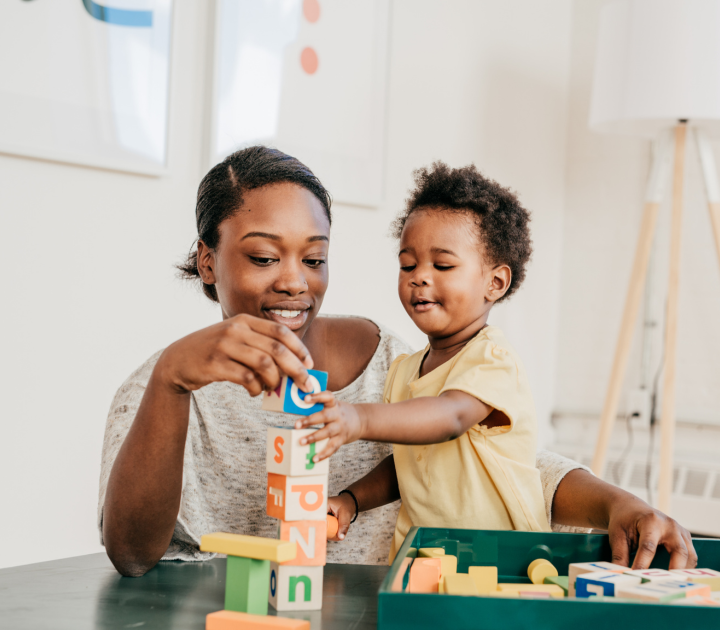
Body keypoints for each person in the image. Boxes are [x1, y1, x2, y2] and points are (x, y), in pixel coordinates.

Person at [99, 146, 697, 578]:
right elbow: (130, 554)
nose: (293, 282)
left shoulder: (397, 359)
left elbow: (503, 462)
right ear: (208, 262)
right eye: (261, 257)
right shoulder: (162, 386)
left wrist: (621, 502)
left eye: (314, 259)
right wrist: (171, 382)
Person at [297, 162, 550, 560]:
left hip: (502, 563)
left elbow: (449, 418)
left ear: (494, 283)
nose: (419, 277)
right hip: (424, 561)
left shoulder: (492, 359)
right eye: (408, 265)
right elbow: (409, 465)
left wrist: (358, 419)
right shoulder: (404, 371)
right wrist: (351, 500)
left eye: (443, 265)